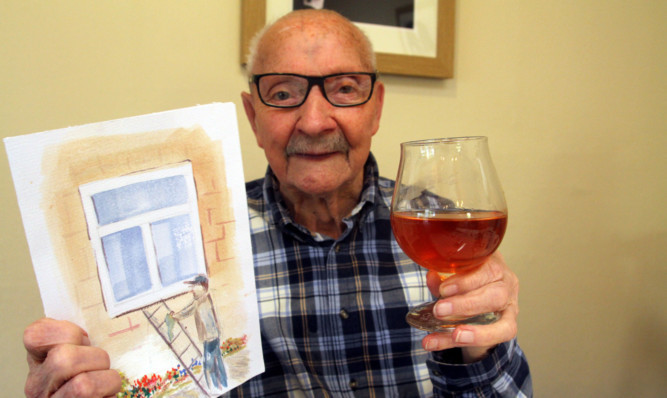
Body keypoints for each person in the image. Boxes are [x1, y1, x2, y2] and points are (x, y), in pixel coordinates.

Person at [22, 9, 531, 397]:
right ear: (252, 115)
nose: (314, 121)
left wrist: (478, 349)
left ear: (375, 108)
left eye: (344, 88)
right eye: (283, 94)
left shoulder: (444, 231)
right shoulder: (194, 242)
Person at [168, 275, 227, 393]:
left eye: (194, 286)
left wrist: (174, 316)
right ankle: (223, 384)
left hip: (209, 336)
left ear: (200, 286)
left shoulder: (199, 298)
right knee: (218, 360)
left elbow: (187, 311)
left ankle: (215, 388)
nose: (192, 289)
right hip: (214, 334)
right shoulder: (205, 296)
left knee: (208, 364)